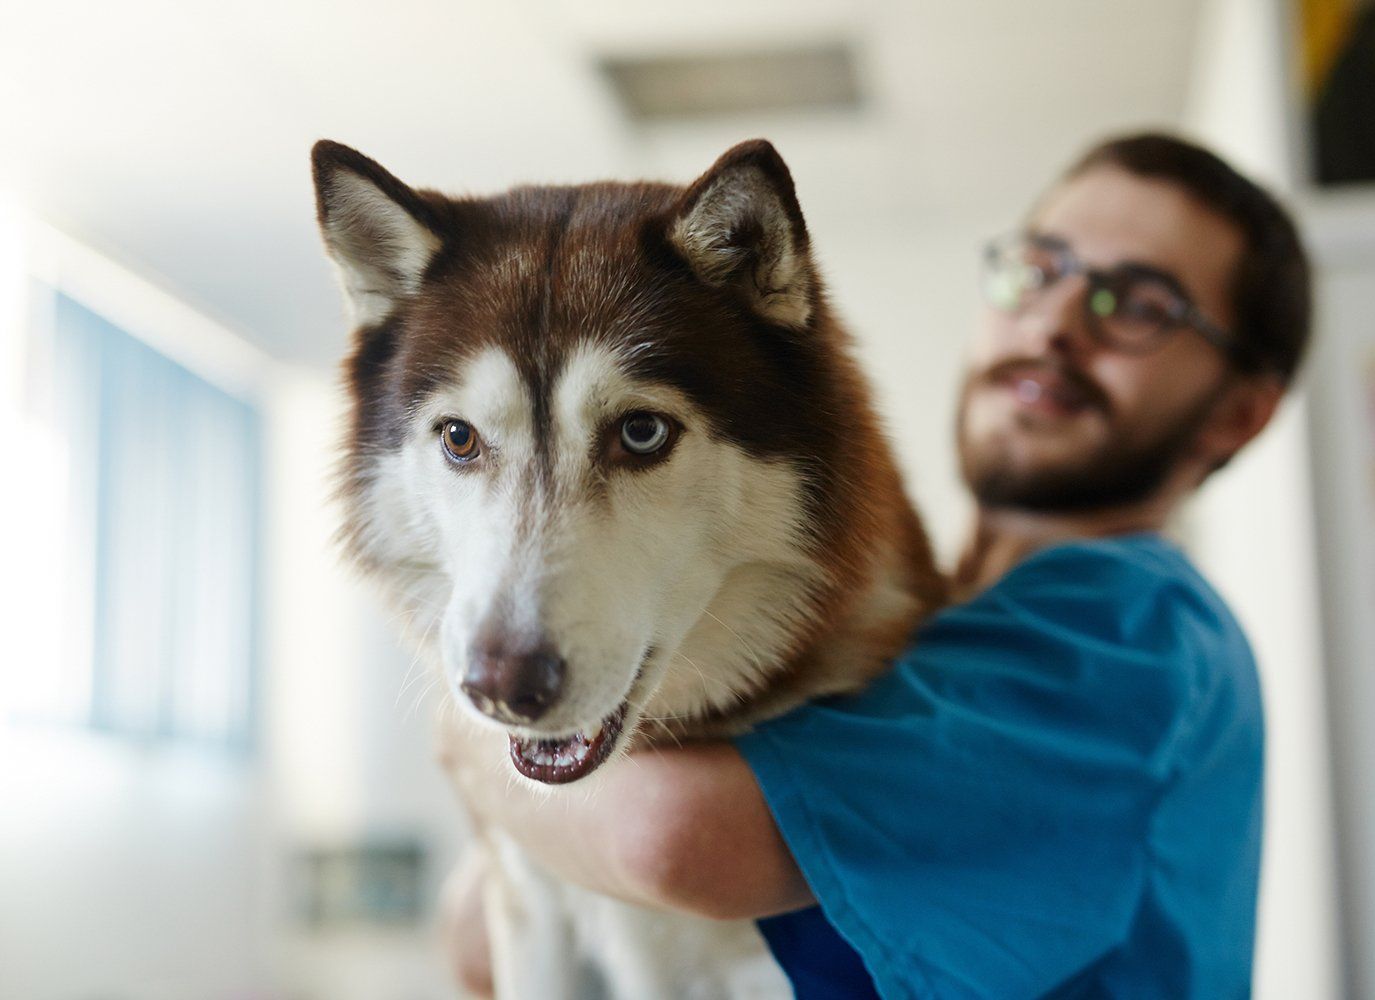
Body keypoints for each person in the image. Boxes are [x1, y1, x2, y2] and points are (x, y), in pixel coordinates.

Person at [453, 131, 1312, 999]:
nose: (1054, 323)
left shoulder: (1135, 637)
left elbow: (669, 841)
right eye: (1040, 267)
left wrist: (475, 738)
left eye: (1135, 305)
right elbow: (481, 950)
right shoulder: (937, 637)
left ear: (1237, 414)